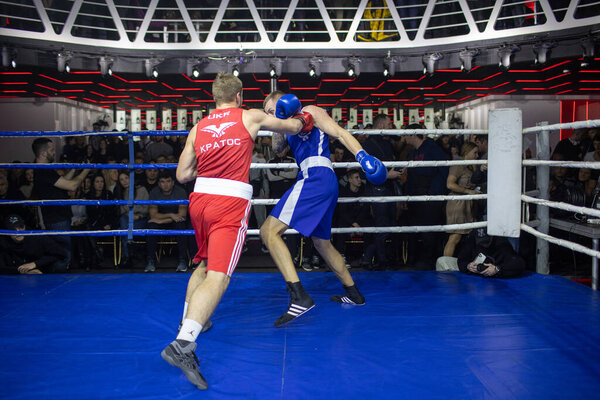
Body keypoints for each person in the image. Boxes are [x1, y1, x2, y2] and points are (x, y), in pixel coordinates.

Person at [160, 72, 314, 390]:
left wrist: (212, 158)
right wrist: (301, 113)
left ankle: (190, 319)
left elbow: (182, 174)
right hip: (228, 204)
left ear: (215, 97)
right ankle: (183, 344)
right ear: (240, 96)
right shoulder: (251, 116)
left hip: (199, 202)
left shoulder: (199, 127)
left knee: (203, 264)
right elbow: (295, 127)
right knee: (219, 275)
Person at [260, 91, 386, 327]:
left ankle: (299, 297)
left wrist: (363, 156)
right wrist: (277, 121)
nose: (269, 114)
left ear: (282, 100)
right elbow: (278, 150)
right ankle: (354, 293)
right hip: (318, 180)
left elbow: (339, 132)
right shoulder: (287, 125)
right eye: (267, 112)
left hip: (315, 177)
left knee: (268, 231)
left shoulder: (311, 110)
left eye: (271, 108)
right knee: (322, 243)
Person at [32, 137, 90, 268]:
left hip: (57, 217)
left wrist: (75, 168)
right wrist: (86, 170)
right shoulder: (43, 171)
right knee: (63, 255)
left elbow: (60, 182)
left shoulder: (42, 169)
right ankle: (57, 280)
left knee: (61, 252)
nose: (54, 152)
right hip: (56, 219)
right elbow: (72, 186)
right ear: (43, 153)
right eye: (52, 150)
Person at [146, 170, 189, 272]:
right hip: (165, 219)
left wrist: (162, 220)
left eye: (168, 181)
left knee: (181, 226)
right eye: (162, 182)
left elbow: (182, 215)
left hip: (169, 221)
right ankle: (150, 261)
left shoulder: (180, 192)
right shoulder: (154, 192)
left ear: (173, 182)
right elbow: (153, 215)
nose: (165, 185)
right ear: (159, 183)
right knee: (151, 227)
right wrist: (171, 215)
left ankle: (182, 260)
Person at [444, 142, 480, 257]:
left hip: (466, 204)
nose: (477, 155)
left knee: (462, 237)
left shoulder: (470, 166)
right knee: (455, 236)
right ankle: (445, 266)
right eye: (475, 152)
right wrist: (468, 191)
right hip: (458, 204)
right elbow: (449, 184)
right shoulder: (458, 165)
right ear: (466, 152)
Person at [0, 214, 68, 274]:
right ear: (7, 232)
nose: (18, 232)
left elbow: (61, 253)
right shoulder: (3, 243)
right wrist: (24, 272)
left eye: (21, 227)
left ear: (25, 227)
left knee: (60, 265)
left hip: (42, 270)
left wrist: (35, 264)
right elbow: (2, 267)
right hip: (16, 276)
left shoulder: (36, 236)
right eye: (13, 230)